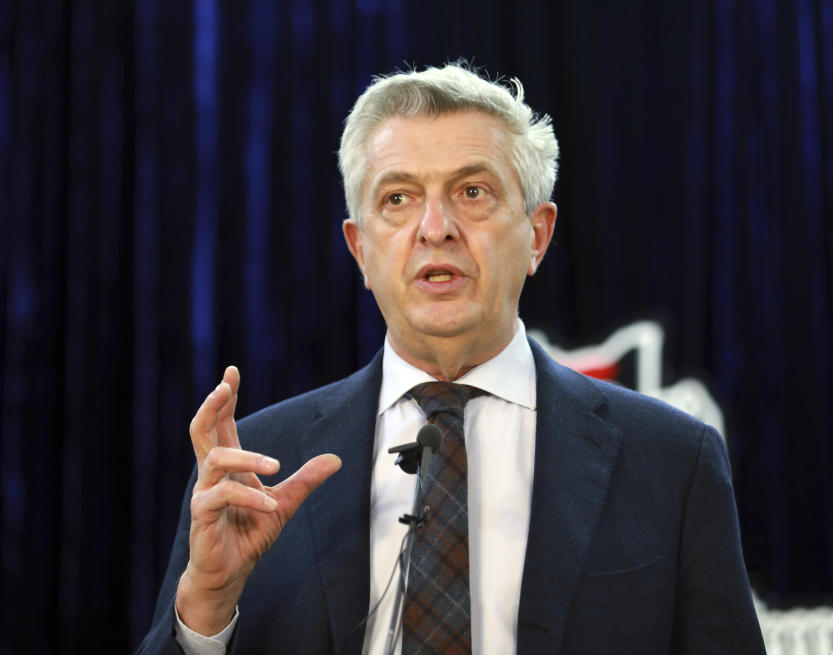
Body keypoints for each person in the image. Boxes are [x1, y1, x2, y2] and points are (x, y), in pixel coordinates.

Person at [136, 63, 765, 655]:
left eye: (472, 191)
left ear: (537, 236)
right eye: (398, 199)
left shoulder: (672, 462)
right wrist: (207, 610)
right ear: (360, 250)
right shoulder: (257, 464)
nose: (435, 227)